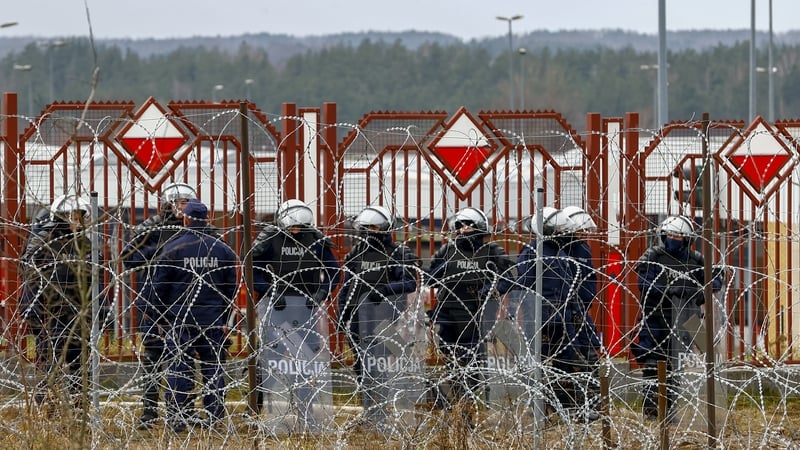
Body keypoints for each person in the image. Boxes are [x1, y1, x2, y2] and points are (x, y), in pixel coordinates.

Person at [146, 199, 239, 432]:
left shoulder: (173, 248)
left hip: (181, 318)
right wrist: (223, 314)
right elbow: (230, 288)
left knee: (179, 366)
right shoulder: (222, 249)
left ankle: (177, 417)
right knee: (212, 367)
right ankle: (214, 416)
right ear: (207, 219)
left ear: (186, 219)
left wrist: (156, 315)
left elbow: (160, 286)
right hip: (211, 319)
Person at [250, 199, 340, 414]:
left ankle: (305, 406)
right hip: (275, 307)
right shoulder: (270, 239)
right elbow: (251, 268)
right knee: (271, 356)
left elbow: (334, 270)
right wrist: (269, 290)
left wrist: (321, 292)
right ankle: (257, 406)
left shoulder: (314, 240)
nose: (295, 230)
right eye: (292, 226)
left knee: (305, 357)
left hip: (305, 307)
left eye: (299, 227)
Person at [120, 182, 197, 429]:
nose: (185, 206)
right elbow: (128, 258)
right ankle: (149, 411)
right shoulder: (151, 228)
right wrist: (161, 253)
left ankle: (185, 409)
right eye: (181, 202)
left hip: (187, 299)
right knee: (154, 355)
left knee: (186, 355)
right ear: (169, 204)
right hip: (155, 298)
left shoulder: (196, 228)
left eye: (188, 202)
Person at [425, 207, 513, 419]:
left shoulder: (492, 251)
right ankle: (454, 407)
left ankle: (462, 407)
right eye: (460, 226)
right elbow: (429, 277)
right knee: (452, 361)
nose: (464, 230)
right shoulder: (448, 250)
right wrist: (442, 271)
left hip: (476, 315)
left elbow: (510, 276)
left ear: (479, 228)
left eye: (468, 226)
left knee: (472, 365)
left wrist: (492, 290)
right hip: (447, 313)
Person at [336, 205, 420, 424]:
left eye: (374, 227)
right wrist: (341, 313)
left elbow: (409, 283)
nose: (369, 231)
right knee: (361, 364)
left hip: (383, 316)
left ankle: (380, 412)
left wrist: (384, 291)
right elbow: (348, 285)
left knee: (378, 363)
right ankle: (369, 410)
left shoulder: (398, 252)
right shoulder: (357, 252)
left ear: (384, 228)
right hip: (357, 316)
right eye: (366, 227)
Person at [632, 215, 719, 421]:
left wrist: (697, 293)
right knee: (654, 364)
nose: (673, 238)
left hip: (685, 319)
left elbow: (714, 281)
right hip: (657, 317)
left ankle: (670, 411)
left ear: (687, 239)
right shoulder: (653, 255)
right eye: (670, 234)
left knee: (676, 366)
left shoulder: (695, 259)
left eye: (678, 236)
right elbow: (644, 283)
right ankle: (653, 412)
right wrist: (668, 291)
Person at [516, 207, 589, 418]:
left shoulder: (562, 252)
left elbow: (570, 286)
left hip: (563, 317)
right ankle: (538, 408)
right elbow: (524, 284)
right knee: (540, 362)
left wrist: (575, 309)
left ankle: (565, 408)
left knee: (566, 363)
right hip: (540, 318)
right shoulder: (532, 251)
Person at [19, 194, 92, 407]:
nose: (79, 220)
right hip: (49, 313)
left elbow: (93, 278)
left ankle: (80, 409)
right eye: (75, 216)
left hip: (77, 313)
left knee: (78, 362)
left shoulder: (83, 242)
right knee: (49, 362)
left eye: (81, 216)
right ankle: (46, 407)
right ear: (64, 216)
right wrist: (38, 309)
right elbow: (30, 275)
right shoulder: (43, 239)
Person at [558, 206, 602, 421]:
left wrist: (585, 303)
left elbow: (589, 280)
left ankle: (591, 404)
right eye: (581, 230)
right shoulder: (559, 250)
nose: (585, 235)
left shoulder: (583, 250)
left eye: (587, 231)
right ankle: (567, 407)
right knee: (566, 361)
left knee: (591, 356)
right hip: (561, 314)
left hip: (581, 313)